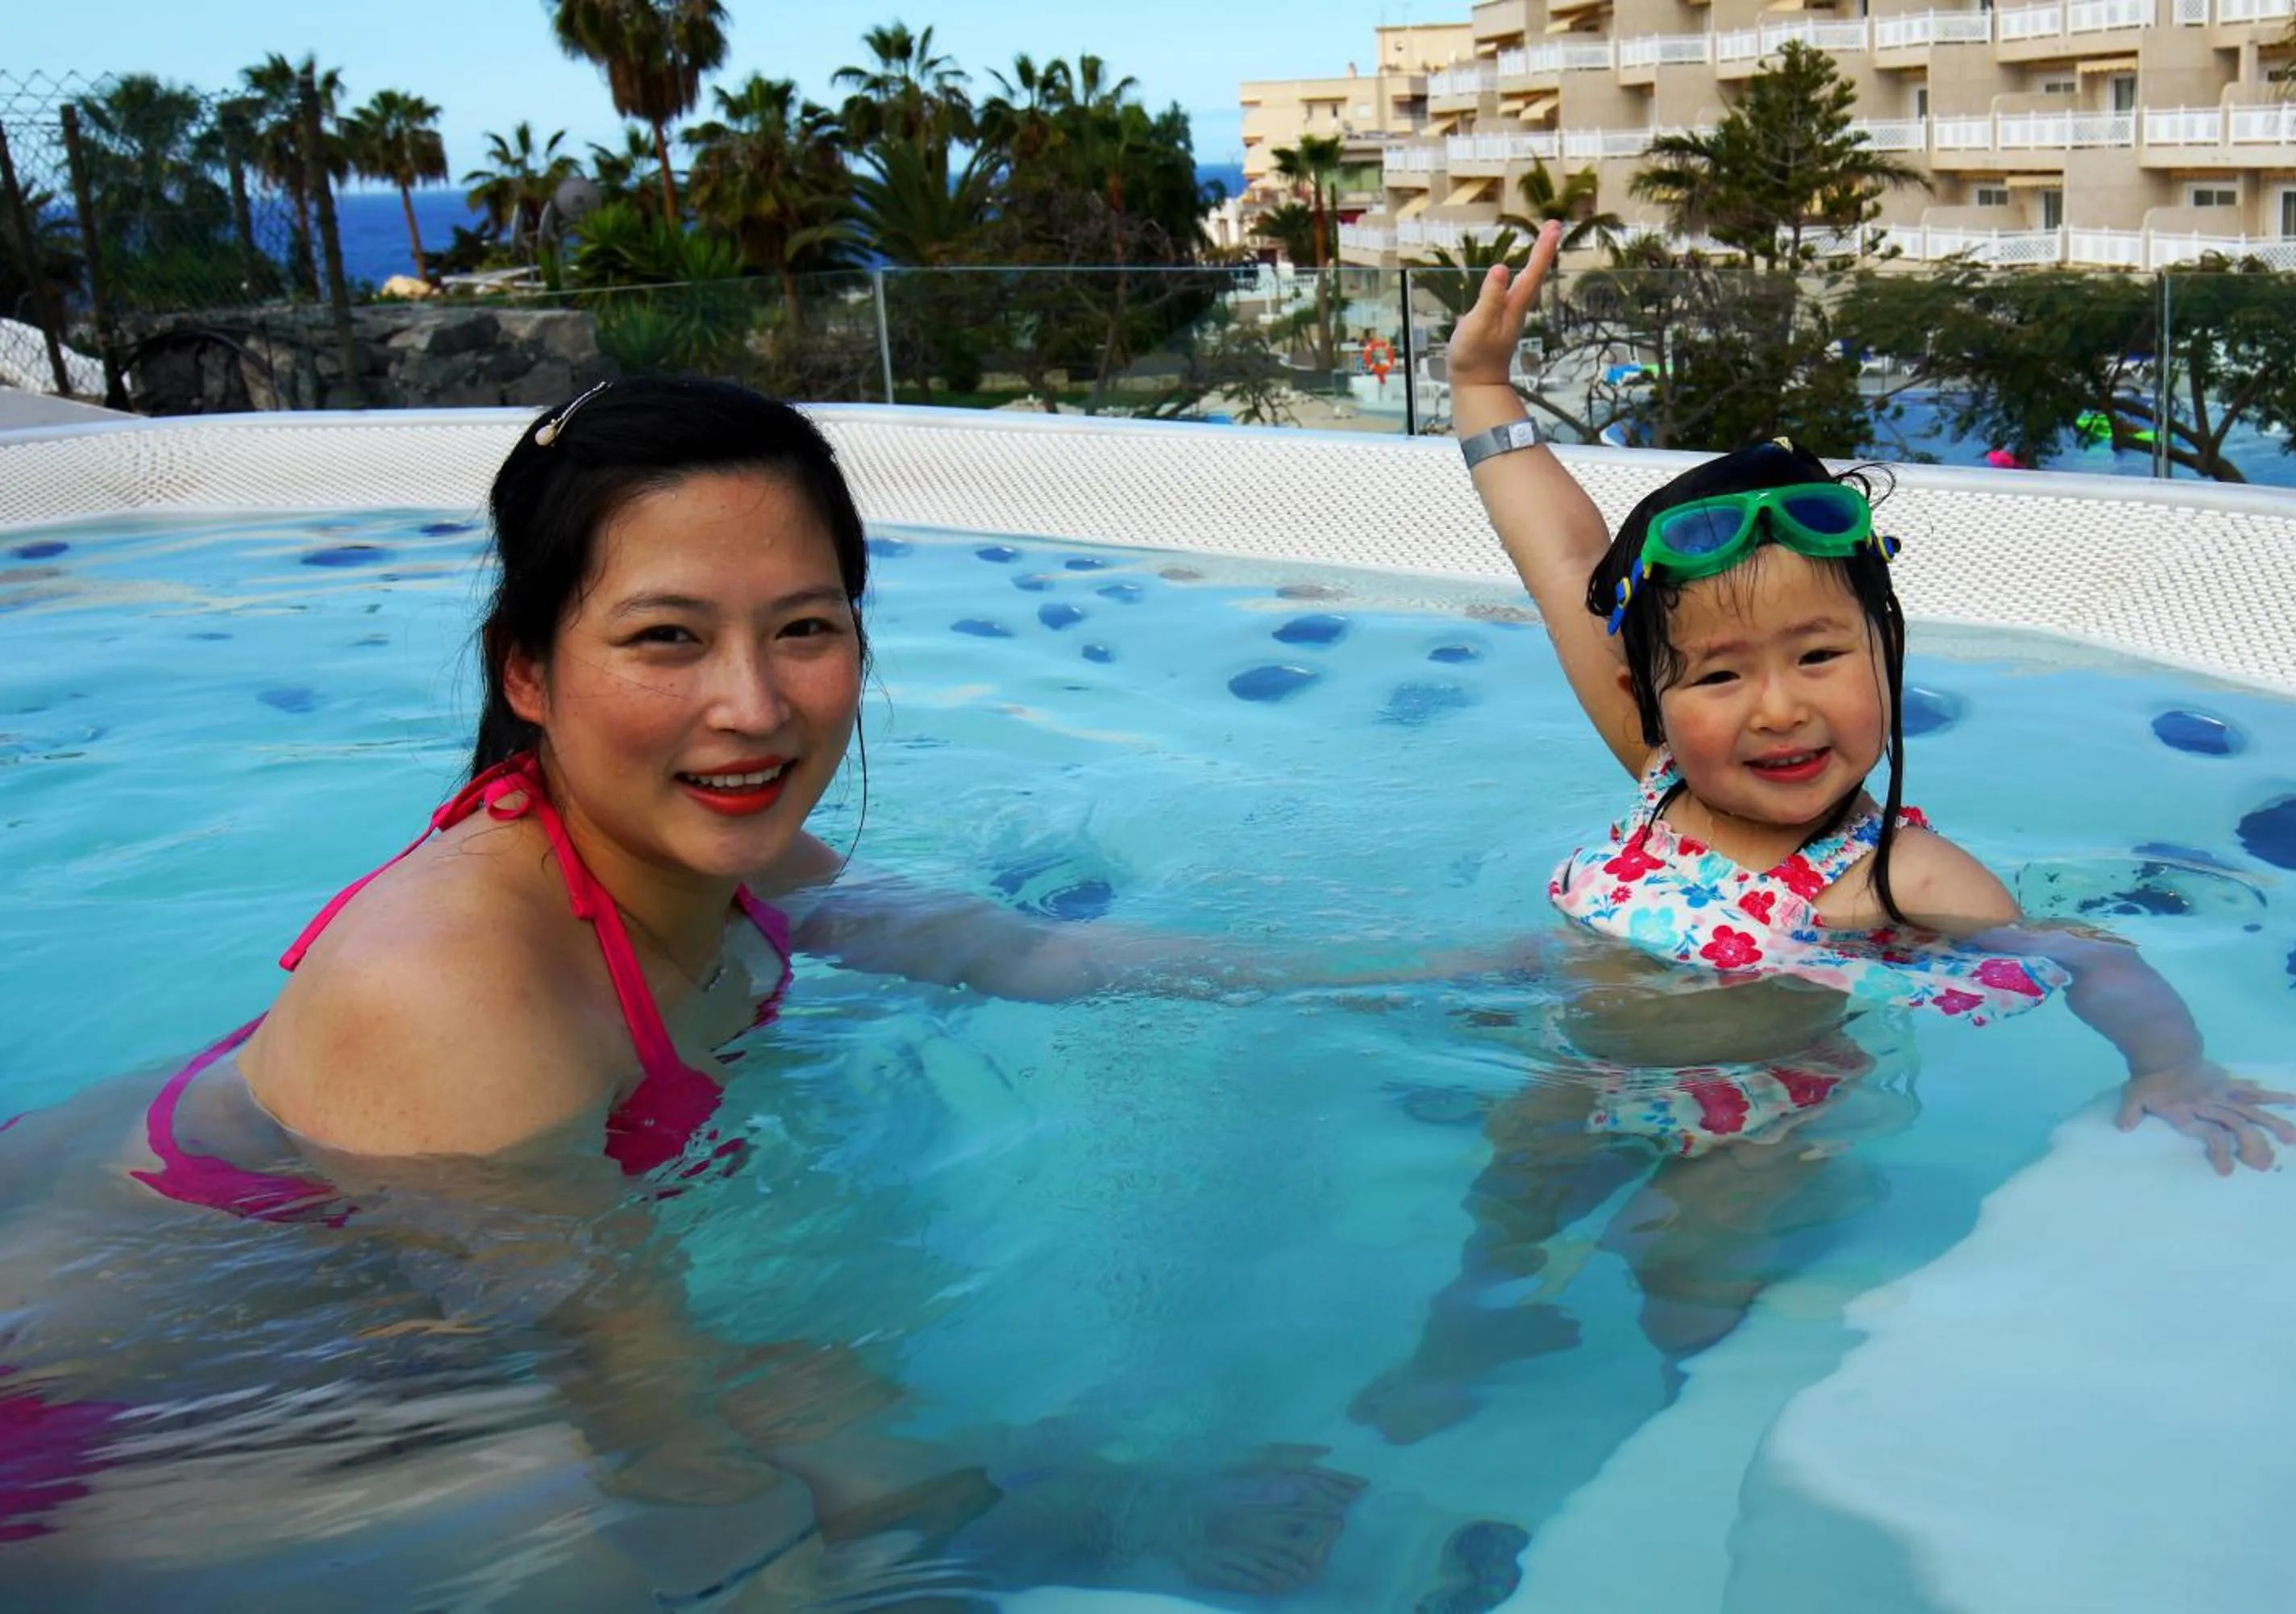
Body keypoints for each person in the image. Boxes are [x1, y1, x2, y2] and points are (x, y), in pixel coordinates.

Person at [0, 376, 1362, 1604]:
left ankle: (1059, 1520)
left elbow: (1012, 953)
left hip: (341, 1344)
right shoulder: (457, 983)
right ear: (527, 669)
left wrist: (1410, 980)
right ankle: (1070, 1522)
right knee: (759, 1464)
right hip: (86, 1439)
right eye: (667, 637)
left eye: (804, 627)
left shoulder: (714, 853)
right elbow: (665, 1444)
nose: (754, 706)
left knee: (816, 1404)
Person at [1348, 222, 2296, 1446]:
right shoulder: (1661, 769)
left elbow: (2090, 955)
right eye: (1721, 674)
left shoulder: (1890, 875)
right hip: (1579, 1075)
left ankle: (1691, 1412)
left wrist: (2170, 1065)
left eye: (1818, 656)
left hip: (1758, 1123)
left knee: (1677, 1280)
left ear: (1886, 653)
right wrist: (1483, 385)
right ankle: (1476, 1332)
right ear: (1652, 697)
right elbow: (1567, 561)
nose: (1779, 708)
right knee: (1508, 1209)